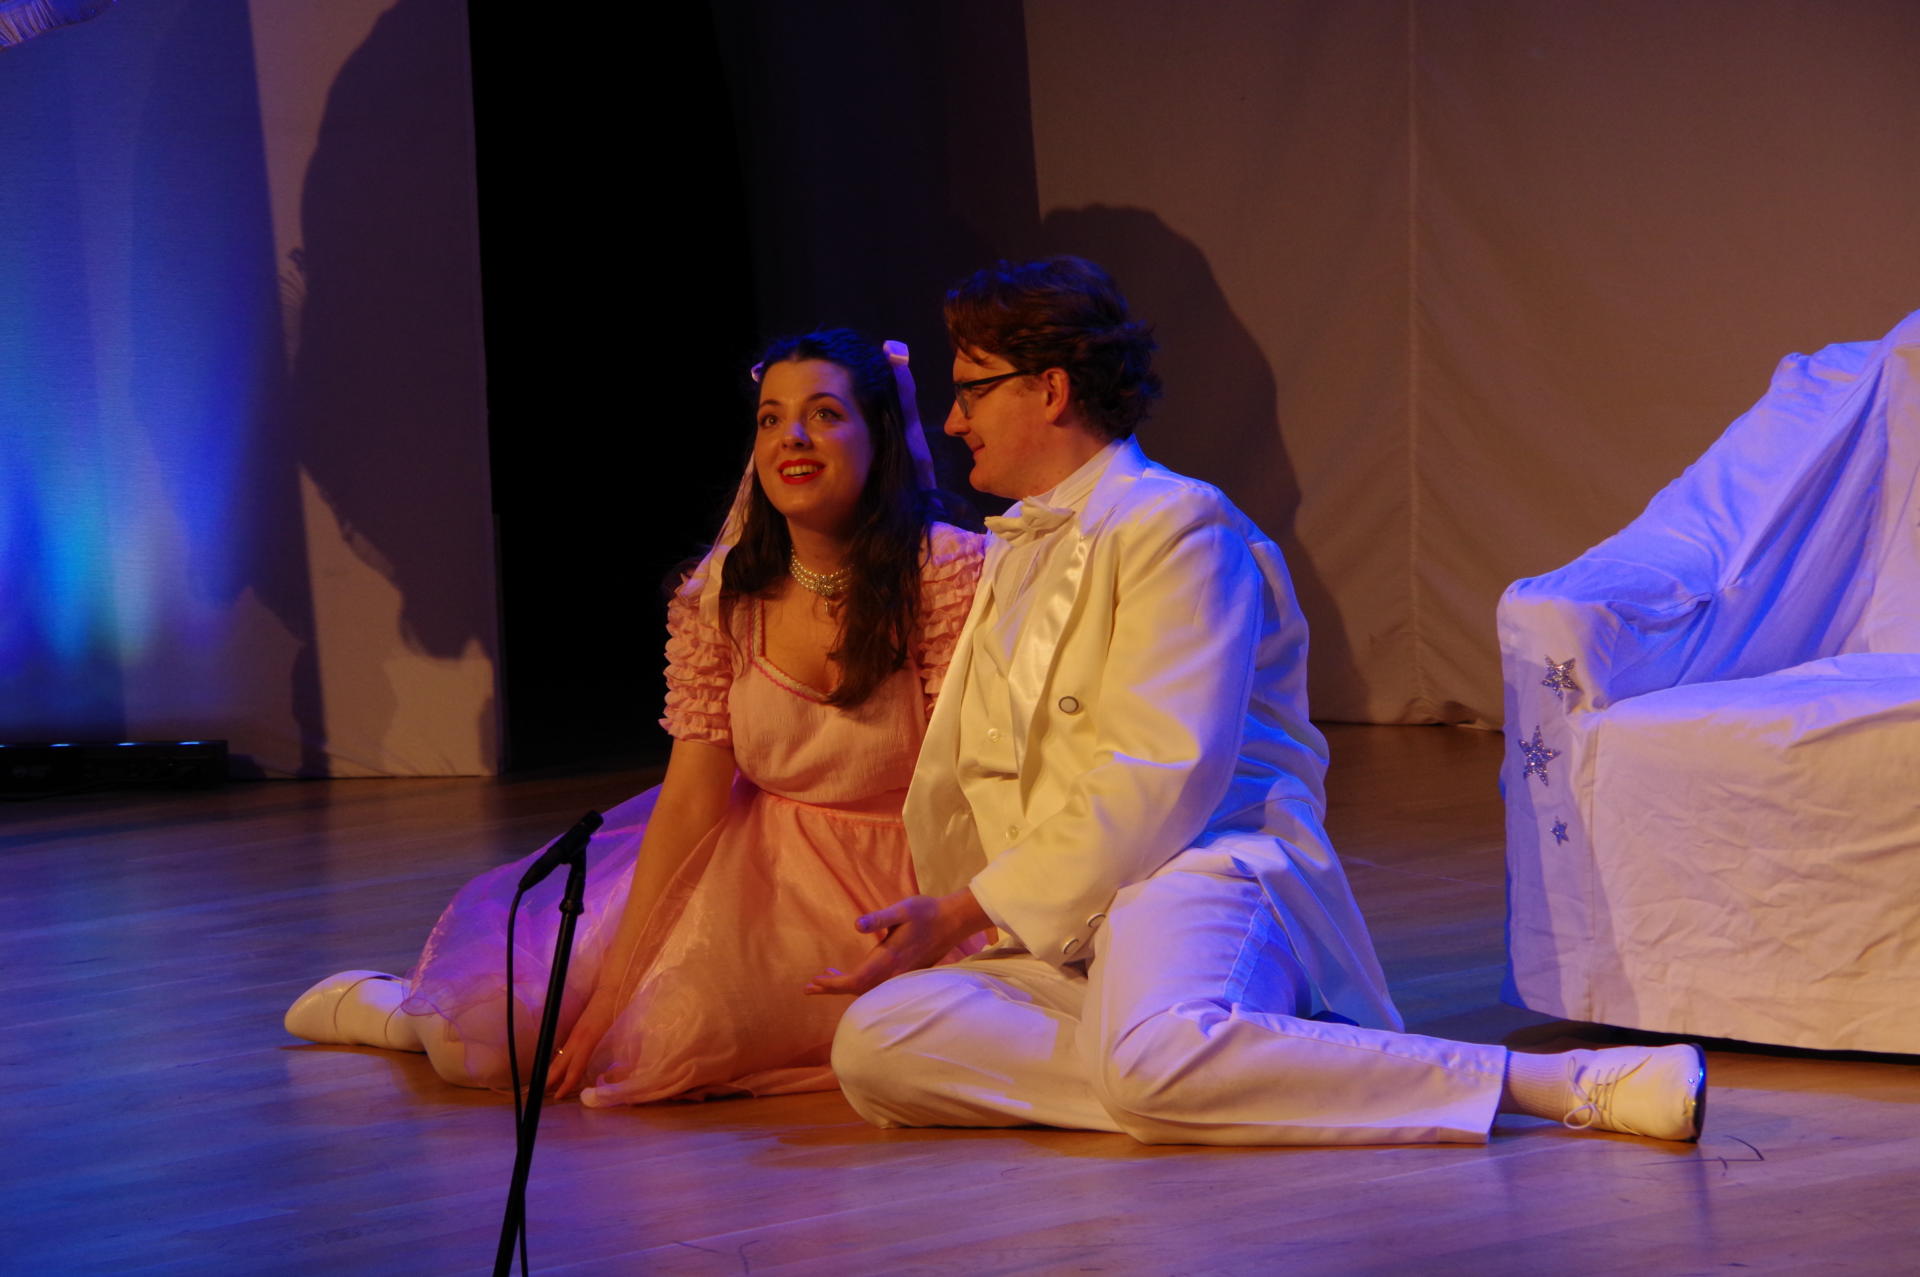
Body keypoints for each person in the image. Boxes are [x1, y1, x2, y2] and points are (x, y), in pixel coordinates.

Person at [814, 257, 1706, 1145]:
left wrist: (964, 910)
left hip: (1194, 870)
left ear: (1051, 389)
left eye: (971, 390)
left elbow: (1160, 774)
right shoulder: (1016, 548)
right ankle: (1224, 1065)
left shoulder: (1177, 524)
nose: (953, 419)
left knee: (1148, 1059)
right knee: (877, 1044)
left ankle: (1546, 1082)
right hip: (1068, 919)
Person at [284, 329, 985, 1106]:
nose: (791, 436)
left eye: (824, 414)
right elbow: (688, 802)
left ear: (878, 436)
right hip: (756, 877)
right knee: (497, 1039)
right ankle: (395, 1011)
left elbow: (976, 773)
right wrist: (611, 992)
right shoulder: (722, 596)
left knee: (689, 1039)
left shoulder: (944, 574)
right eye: (771, 417)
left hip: (903, 879)